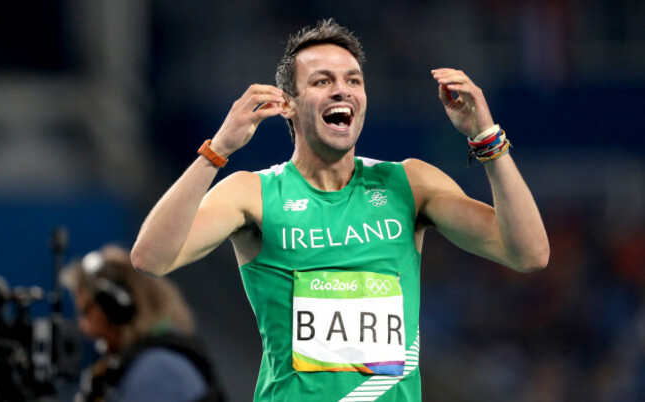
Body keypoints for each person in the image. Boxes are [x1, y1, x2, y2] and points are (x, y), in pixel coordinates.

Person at [131, 19, 549, 401]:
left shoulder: (410, 184)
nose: (342, 90)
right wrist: (216, 151)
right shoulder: (252, 194)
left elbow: (529, 254)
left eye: (353, 80)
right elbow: (151, 258)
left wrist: (486, 139)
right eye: (322, 81)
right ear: (288, 104)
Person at [61, 245, 224, 402]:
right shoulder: (155, 364)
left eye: (86, 311)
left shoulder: (158, 370)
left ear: (118, 305)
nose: (83, 326)